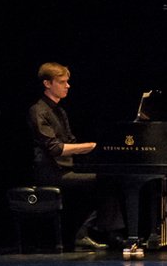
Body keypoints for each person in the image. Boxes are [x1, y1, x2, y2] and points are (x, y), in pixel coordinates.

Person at [27, 62, 123, 250]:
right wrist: (89, 146)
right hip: (50, 173)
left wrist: (101, 150)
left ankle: (86, 231)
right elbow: (55, 149)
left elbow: (71, 141)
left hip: (65, 169)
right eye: (62, 82)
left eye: (67, 81)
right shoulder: (37, 111)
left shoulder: (60, 111)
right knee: (106, 181)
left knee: (108, 178)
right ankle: (101, 233)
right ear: (47, 84)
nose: (68, 85)